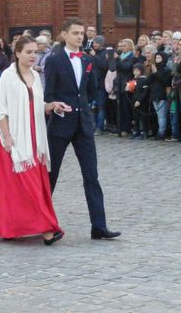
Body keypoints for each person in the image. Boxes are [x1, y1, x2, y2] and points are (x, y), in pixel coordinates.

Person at [45, 17, 121, 240]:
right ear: (64, 34)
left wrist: (88, 110)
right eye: (75, 33)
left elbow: (90, 89)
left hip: (84, 125)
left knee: (92, 175)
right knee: (51, 175)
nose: (80, 36)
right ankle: (41, 221)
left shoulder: (88, 59)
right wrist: (57, 107)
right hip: (60, 124)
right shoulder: (55, 59)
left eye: (82, 33)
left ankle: (99, 226)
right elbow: (48, 94)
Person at [0, 35, 67, 244]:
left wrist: (52, 106)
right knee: (20, 187)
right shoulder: (8, 76)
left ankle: (29, 226)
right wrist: (7, 137)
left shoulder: (34, 75)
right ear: (17, 53)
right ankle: (46, 230)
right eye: (29, 52)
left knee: (32, 186)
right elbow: (1, 109)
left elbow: (37, 106)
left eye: (36, 52)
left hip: (35, 138)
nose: (33, 56)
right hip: (15, 138)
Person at [148, 52, 172, 140]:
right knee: (158, 115)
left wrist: (156, 73)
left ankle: (161, 132)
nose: (157, 60)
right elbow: (149, 80)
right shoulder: (154, 69)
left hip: (162, 95)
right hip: (154, 94)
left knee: (162, 115)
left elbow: (165, 81)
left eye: (159, 58)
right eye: (156, 58)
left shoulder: (166, 70)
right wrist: (152, 72)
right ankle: (159, 131)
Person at [127, 63, 149, 139]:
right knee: (135, 117)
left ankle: (144, 132)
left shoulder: (144, 80)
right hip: (134, 101)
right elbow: (132, 91)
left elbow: (145, 92)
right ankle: (136, 131)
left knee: (142, 117)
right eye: (134, 70)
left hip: (141, 102)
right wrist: (128, 89)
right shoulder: (134, 80)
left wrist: (139, 100)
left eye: (137, 70)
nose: (135, 72)